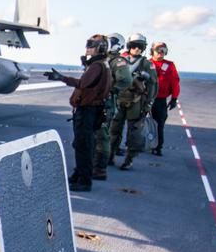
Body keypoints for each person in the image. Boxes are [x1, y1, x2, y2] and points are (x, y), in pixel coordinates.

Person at [46, 35, 112, 192]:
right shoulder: (103, 64)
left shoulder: (97, 66)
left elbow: (83, 83)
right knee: (83, 144)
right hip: (94, 110)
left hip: (88, 110)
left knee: (83, 145)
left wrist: (61, 78)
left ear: (101, 48)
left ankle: (84, 181)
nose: (87, 48)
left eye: (91, 45)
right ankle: (78, 175)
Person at [109, 32, 158, 170]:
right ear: (129, 46)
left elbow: (153, 84)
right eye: (135, 46)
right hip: (118, 99)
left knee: (134, 132)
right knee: (113, 130)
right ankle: (110, 155)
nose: (137, 49)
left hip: (136, 101)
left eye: (140, 47)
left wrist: (148, 103)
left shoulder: (147, 64)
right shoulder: (120, 61)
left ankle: (129, 159)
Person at [92, 33, 132, 180]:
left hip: (106, 103)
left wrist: (110, 90)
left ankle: (100, 169)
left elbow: (126, 80)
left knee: (102, 137)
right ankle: (93, 165)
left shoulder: (118, 61)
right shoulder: (103, 59)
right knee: (94, 136)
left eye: (112, 41)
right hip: (96, 102)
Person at [149, 41, 180, 156]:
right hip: (145, 99)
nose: (161, 53)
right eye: (159, 50)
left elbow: (175, 82)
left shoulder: (169, 65)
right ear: (152, 51)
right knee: (140, 122)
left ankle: (158, 146)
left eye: (164, 51)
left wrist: (174, 98)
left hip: (160, 100)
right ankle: (139, 144)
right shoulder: (146, 63)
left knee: (159, 124)